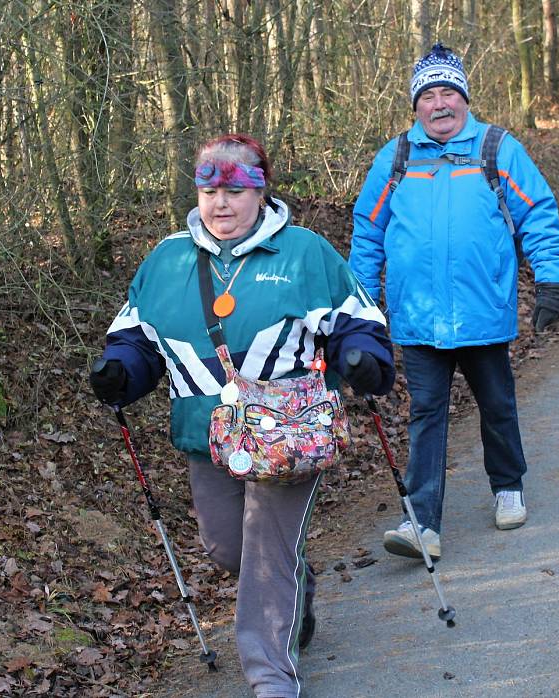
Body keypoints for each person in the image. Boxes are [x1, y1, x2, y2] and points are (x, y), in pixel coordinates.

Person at [90, 134, 394, 698]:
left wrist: (364, 358)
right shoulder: (167, 259)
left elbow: (358, 318)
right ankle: (297, 582)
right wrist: (119, 371)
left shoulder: (304, 253)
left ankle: (271, 677)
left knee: (264, 553)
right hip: (207, 433)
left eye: (234, 189)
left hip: (288, 431)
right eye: (209, 189)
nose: (220, 202)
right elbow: (135, 336)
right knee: (228, 548)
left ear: (260, 191)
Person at [349, 43, 559, 561]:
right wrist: (359, 310)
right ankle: (422, 523)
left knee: (496, 404)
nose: (440, 103)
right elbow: (368, 232)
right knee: (426, 413)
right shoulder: (396, 157)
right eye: (429, 95)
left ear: (465, 99)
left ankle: (508, 484)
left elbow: (537, 212)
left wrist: (552, 281)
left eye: (449, 92)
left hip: (482, 311)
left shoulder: (496, 149)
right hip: (418, 317)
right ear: (416, 105)